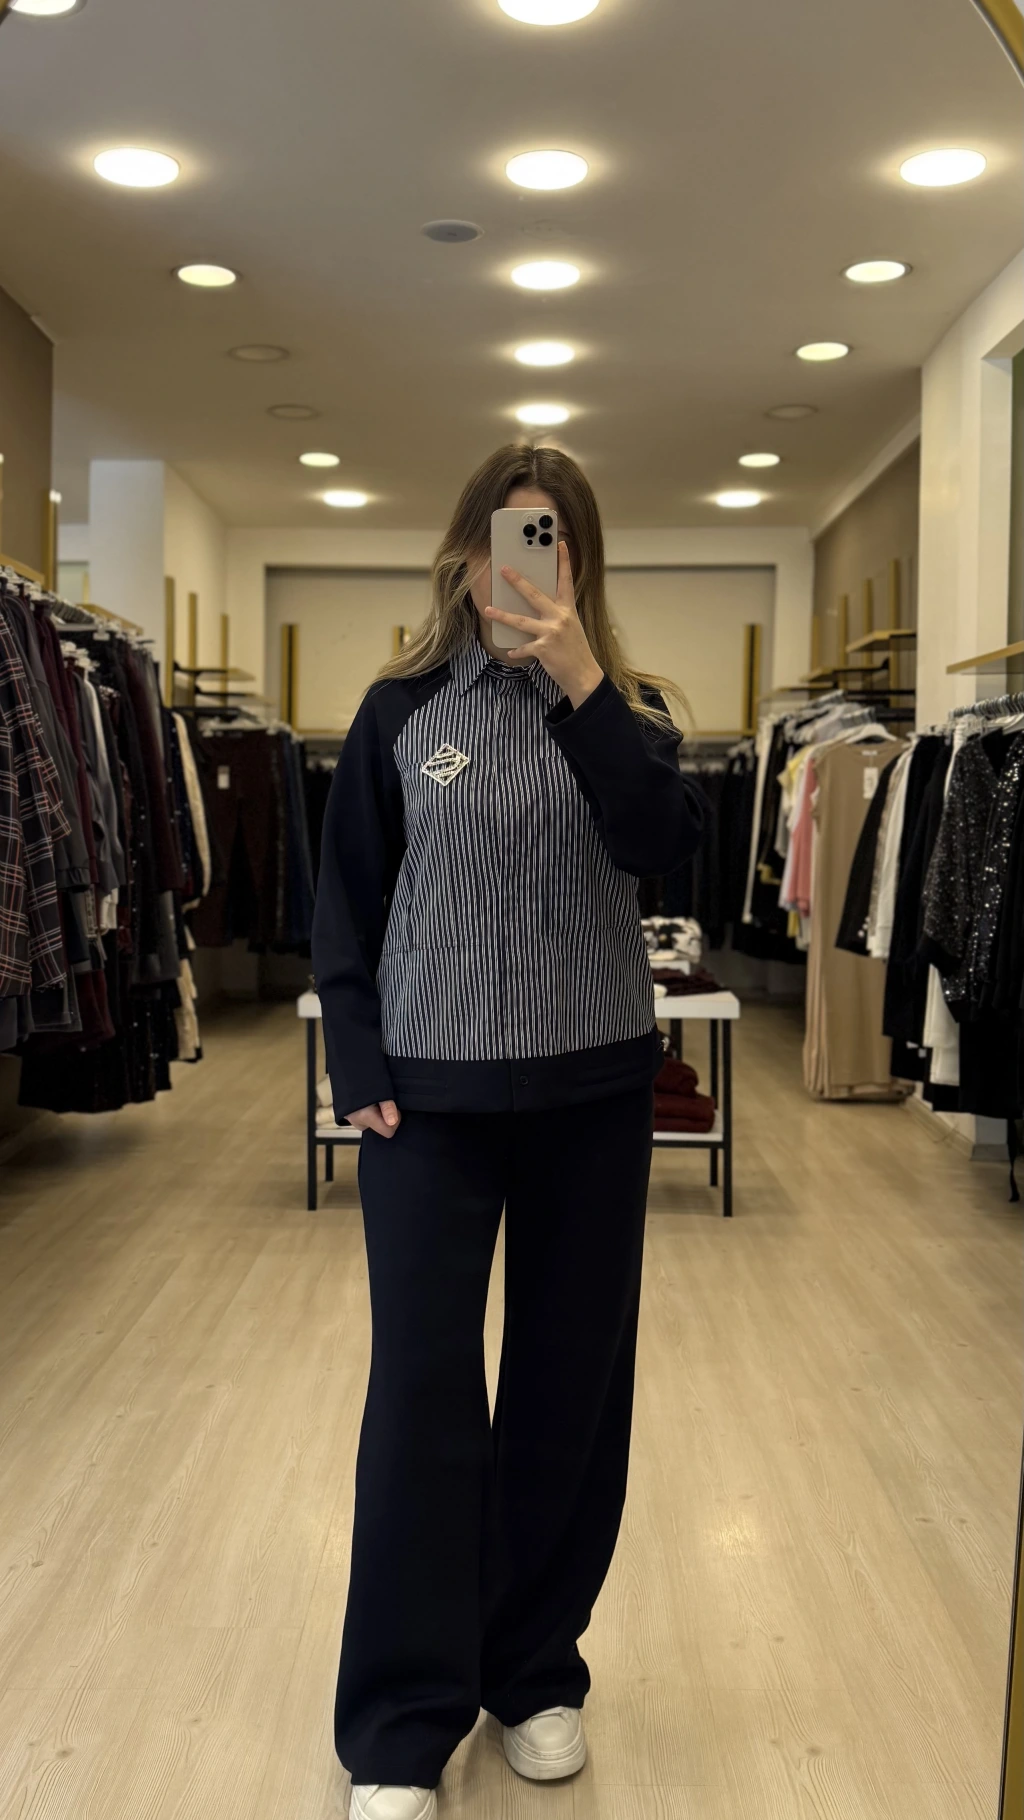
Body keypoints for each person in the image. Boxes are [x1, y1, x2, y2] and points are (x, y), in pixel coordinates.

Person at [311, 444, 704, 1820]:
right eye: (505, 540)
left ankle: (534, 1670)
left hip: (593, 1094)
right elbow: (348, 893)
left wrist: (583, 679)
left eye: (552, 543)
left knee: (566, 1391)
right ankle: (400, 1722)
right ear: (465, 555)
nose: (522, 567)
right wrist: (355, 1055)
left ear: (581, 564)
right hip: (428, 1102)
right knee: (422, 1395)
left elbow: (661, 841)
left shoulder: (634, 715)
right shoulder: (400, 709)